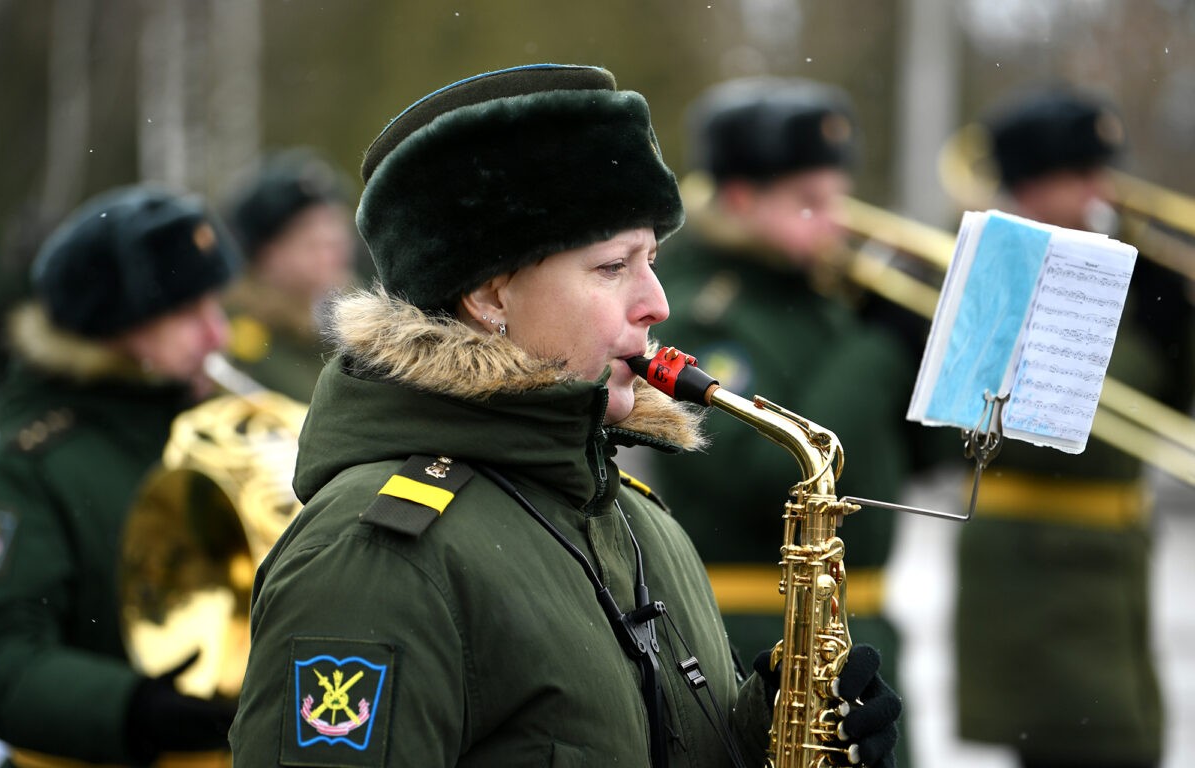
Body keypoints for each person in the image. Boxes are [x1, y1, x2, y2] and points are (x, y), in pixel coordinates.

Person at [228, 63, 902, 768]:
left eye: (652, 259)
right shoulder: (376, 560)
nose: (657, 303)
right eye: (612, 267)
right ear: (490, 297)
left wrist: (773, 733)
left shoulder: (637, 520)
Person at [648, 76, 946, 768]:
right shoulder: (699, 310)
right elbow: (763, 472)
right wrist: (879, 351)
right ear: (740, 198)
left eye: (839, 198)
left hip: (864, 639)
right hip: (755, 641)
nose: (836, 222)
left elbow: (926, 458)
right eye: (810, 202)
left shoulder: (834, 305)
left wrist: (936, 354)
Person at [953, 84, 1195, 768]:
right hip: (1038, 576)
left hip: (1115, 563)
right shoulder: (997, 274)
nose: (1104, 192)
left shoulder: (1125, 273)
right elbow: (1043, 429)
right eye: (1082, 175)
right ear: (1032, 183)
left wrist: (1177, 319)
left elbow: (1165, 406)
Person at [0, 185, 242, 765]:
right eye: (186, 313)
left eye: (215, 305)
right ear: (108, 329)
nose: (219, 336)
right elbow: (4, 657)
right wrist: (132, 709)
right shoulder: (27, 462)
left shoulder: (213, 421)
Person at [219, 148, 358, 401]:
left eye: (334, 222)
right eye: (309, 232)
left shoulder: (360, 324)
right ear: (268, 253)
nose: (332, 240)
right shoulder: (231, 339)